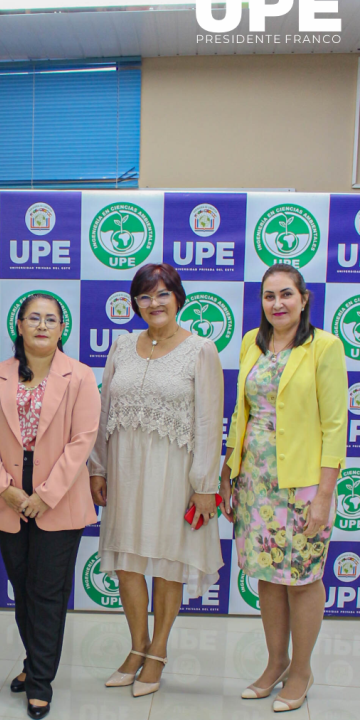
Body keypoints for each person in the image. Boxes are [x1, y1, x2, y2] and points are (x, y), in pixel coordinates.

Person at [89, 263, 224, 697]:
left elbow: (208, 421)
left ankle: (158, 652)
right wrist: (99, 467)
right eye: (145, 297)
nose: (154, 304)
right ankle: (136, 647)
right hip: (126, 470)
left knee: (167, 563)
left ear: (178, 298)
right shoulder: (122, 347)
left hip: (175, 473)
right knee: (128, 561)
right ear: (135, 304)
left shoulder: (201, 349)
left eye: (163, 294)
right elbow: (103, 411)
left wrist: (205, 483)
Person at [220, 264, 347, 712]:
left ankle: (301, 671)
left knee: (303, 580)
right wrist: (228, 473)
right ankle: (275, 663)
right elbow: (242, 414)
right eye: (269, 296)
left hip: (304, 488)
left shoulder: (324, 347)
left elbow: (335, 426)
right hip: (256, 483)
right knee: (269, 579)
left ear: (304, 298)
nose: (278, 303)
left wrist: (326, 497)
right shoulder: (252, 345)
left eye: (286, 294)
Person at [0, 294, 100, 720]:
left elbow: (83, 441)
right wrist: (5, 488)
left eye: (51, 319)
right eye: (34, 318)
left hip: (58, 502)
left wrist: (45, 495)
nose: (42, 325)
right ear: (20, 326)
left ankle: (40, 682)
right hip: (9, 500)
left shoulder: (80, 377)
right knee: (23, 591)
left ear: (62, 328)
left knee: (48, 593)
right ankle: (33, 663)